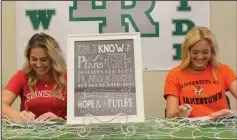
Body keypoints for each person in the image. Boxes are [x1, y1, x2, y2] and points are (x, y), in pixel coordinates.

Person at [164, 26, 236, 119]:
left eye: (205, 52)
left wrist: (230, 113)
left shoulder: (223, 70)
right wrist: (179, 112)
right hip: (189, 130)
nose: (200, 57)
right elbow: (170, 115)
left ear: (212, 52)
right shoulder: (174, 75)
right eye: (195, 52)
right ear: (187, 52)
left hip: (220, 128)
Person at [2, 32, 67, 123]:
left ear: (54, 58)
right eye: (34, 59)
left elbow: (82, 112)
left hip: (63, 133)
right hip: (30, 133)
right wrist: (17, 115)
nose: (39, 64)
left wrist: (61, 120)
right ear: (29, 58)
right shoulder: (22, 75)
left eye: (44, 60)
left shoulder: (67, 76)